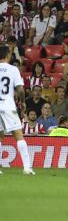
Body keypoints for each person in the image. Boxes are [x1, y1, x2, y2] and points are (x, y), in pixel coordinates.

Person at [0, 45, 35, 174]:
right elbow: (20, 89)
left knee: (0, 137)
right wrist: (22, 102)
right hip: (8, 105)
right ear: (8, 55)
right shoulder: (13, 69)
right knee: (19, 135)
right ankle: (27, 167)